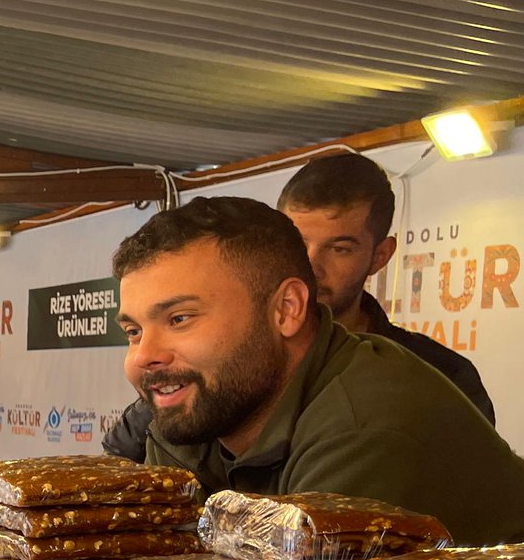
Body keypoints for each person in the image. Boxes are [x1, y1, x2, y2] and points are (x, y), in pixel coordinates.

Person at [113, 195, 524, 545]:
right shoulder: (199, 409)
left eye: (179, 319)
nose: (144, 356)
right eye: (134, 331)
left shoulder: (366, 424)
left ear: (287, 309)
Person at [103, 152, 493, 458]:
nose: (309, 264)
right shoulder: (211, 378)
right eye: (295, 242)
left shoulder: (435, 378)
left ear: (380, 255)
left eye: (339, 248)